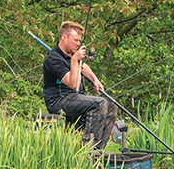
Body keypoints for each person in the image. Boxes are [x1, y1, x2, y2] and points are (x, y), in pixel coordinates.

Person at [43, 21, 118, 149]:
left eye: (79, 41)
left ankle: (99, 149)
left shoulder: (70, 54)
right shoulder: (53, 59)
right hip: (58, 100)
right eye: (75, 40)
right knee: (99, 104)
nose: (78, 44)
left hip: (74, 98)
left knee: (111, 105)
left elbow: (83, 66)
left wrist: (95, 79)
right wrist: (74, 60)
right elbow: (73, 83)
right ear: (64, 38)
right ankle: (87, 149)